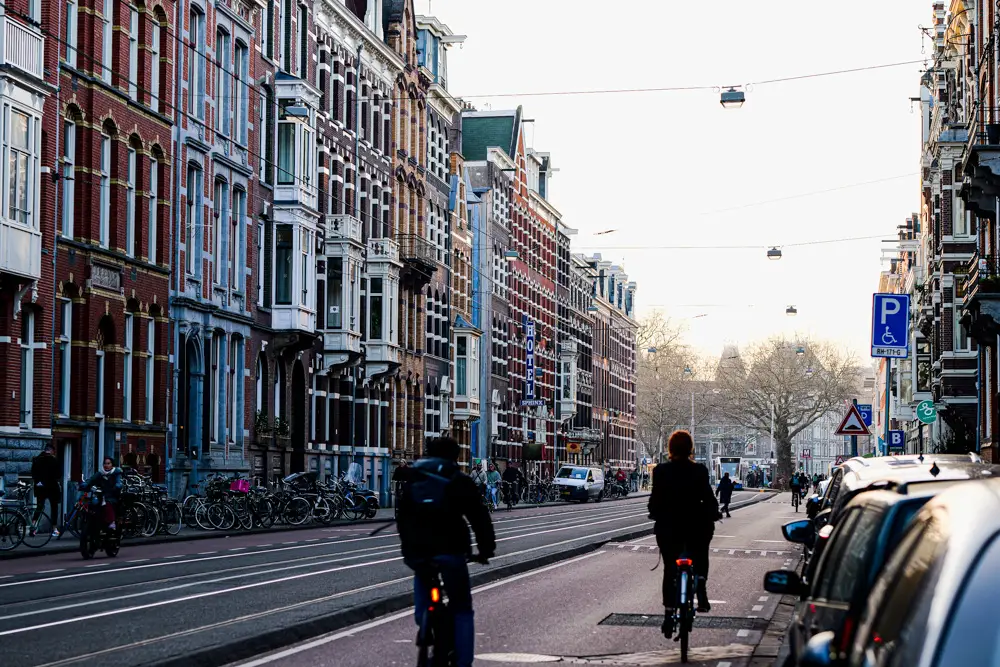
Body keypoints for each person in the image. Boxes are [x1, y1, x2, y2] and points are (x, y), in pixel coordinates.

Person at [397, 436, 496, 667]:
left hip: (420, 553)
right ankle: (463, 662)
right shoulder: (460, 480)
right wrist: (485, 550)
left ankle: (424, 622)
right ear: (455, 456)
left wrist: (409, 551)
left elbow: (403, 517)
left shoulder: (414, 477)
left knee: (423, 582)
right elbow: (479, 518)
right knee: (462, 608)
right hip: (451, 551)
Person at [648, 430, 720, 637]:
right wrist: (714, 513)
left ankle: (669, 614)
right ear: (690, 449)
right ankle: (702, 590)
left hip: (669, 528)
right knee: (701, 554)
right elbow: (708, 497)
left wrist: (655, 513)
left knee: (670, 568)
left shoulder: (661, 471)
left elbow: (655, 501)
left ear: (670, 449)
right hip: (696, 526)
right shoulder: (699, 470)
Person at [83, 457, 123, 531]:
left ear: (112, 465)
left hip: (112, 496)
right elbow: (92, 479)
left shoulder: (116, 473)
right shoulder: (100, 473)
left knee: (108, 503)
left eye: (108, 463)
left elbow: (119, 482)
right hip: (101, 495)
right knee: (93, 503)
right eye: (105, 463)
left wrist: (118, 485)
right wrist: (85, 484)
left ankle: (112, 522)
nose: (106, 465)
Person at [30, 444, 61, 537]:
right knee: (54, 508)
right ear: (51, 451)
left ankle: (33, 527)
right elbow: (58, 475)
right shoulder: (54, 460)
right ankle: (54, 529)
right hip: (52, 487)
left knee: (39, 507)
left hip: (40, 487)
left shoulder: (37, 459)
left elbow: (33, 474)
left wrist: (39, 482)